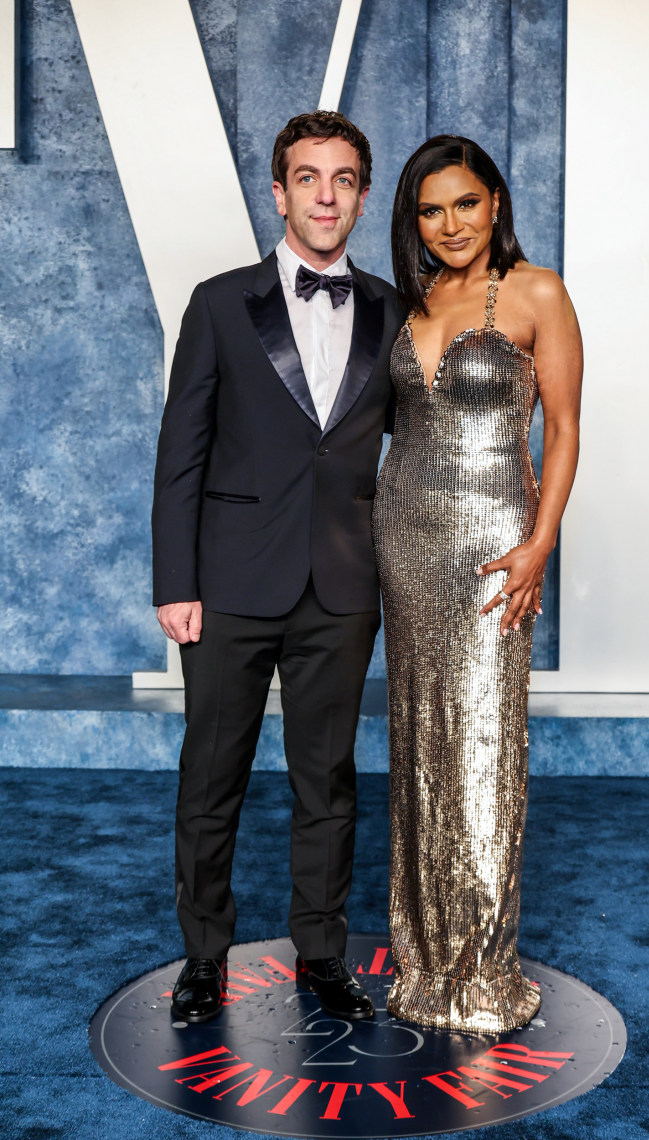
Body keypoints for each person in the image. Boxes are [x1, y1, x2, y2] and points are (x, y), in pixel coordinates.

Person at [152, 111, 402, 1024]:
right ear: (280, 190)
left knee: (325, 779)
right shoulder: (221, 303)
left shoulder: (392, 309)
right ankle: (204, 956)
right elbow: (181, 451)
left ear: (363, 197)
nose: (326, 195)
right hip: (226, 584)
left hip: (342, 586)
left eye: (343, 179)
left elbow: (409, 454)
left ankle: (324, 954)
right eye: (308, 177)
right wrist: (175, 582)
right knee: (211, 771)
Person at [373, 135, 582, 1033]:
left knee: (484, 746)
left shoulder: (538, 291)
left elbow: (565, 430)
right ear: (413, 221)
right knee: (421, 742)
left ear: (495, 202)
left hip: (496, 543)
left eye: (465, 202)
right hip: (404, 537)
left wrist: (539, 546)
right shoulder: (411, 301)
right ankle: (422, 961)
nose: (450, 224)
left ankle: (482, 969)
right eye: (431, 209)